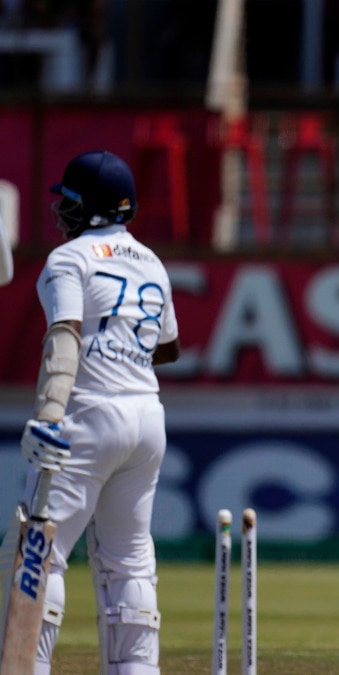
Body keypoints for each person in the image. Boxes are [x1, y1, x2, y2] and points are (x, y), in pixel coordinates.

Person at [15, 150, 180, 673]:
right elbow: (169, 346)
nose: (60, 211)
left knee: (38, 553)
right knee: (129, 563)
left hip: (85, 416)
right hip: (146, 422)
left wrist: (49, 412)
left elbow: (64, 335)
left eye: (67, 202)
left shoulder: (69, 259)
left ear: (86, 209)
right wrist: (123, 343)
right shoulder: (152, 261)